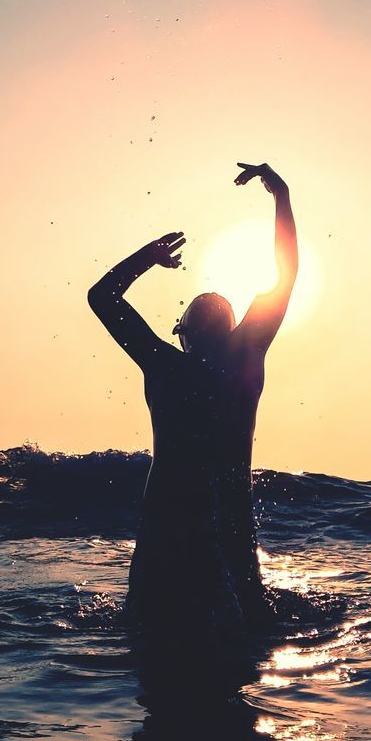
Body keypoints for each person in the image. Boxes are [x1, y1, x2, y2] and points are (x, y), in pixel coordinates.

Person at [88, 162, 298, 659]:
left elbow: (102, 296)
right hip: (229, 516)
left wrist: (147, 257)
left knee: (147, 638)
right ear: (231, 330)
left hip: (165, 519)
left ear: (181, 334)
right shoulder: (246, 358)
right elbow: (287, 275)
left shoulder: (164, 365)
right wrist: (281, 196)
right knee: (245, 638)